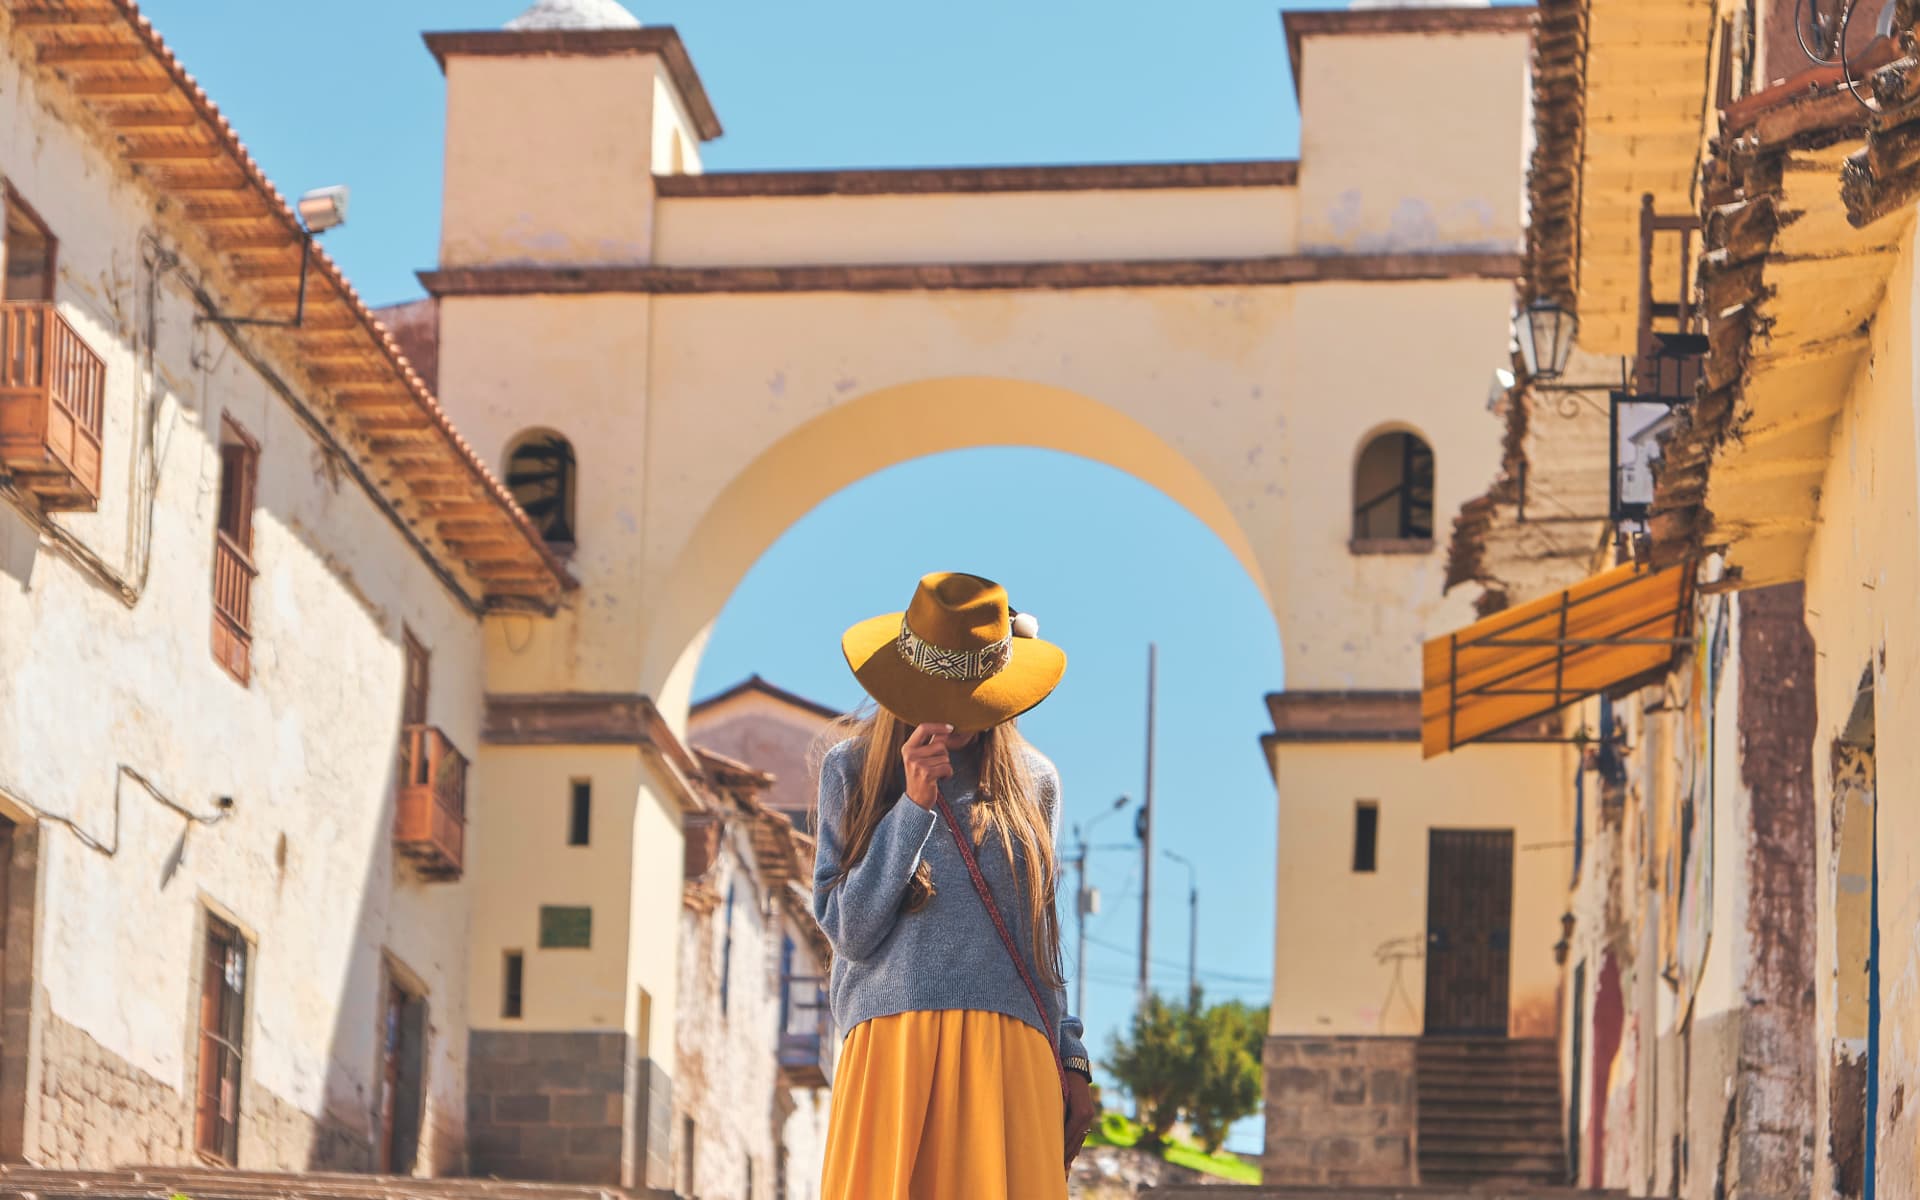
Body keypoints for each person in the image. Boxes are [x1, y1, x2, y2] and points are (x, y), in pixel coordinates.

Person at [814, 572, 1098, 1199]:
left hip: (1010, 1051)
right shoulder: (852, 769)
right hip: (893, 1048)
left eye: (973, 694)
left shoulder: (1034, 780)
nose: (957, 714)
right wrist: (912, 806)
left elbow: (1040, 942)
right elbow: (849, 934)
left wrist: (1071, 1055)